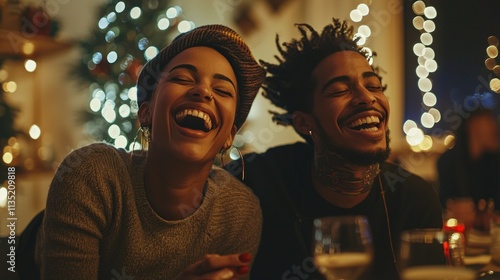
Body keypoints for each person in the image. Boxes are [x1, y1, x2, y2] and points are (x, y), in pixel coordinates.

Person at [20, 24, 265, 280]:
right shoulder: (92, 173)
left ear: (230, 136)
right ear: (145, 112)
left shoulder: (239, 212)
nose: (203, 91)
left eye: (223, 91)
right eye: (182, 78)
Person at [225, 18, 443, 280]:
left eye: (373, 86)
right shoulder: (256, 180)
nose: (367, 97)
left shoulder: (415, 200)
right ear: (305, 122)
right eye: (340, 90)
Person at [438, 108, 500, 229]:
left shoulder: (495, 162)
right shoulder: (448, 162)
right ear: (472, 125)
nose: (494, 127)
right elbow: (445, 205)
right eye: (488, 121)